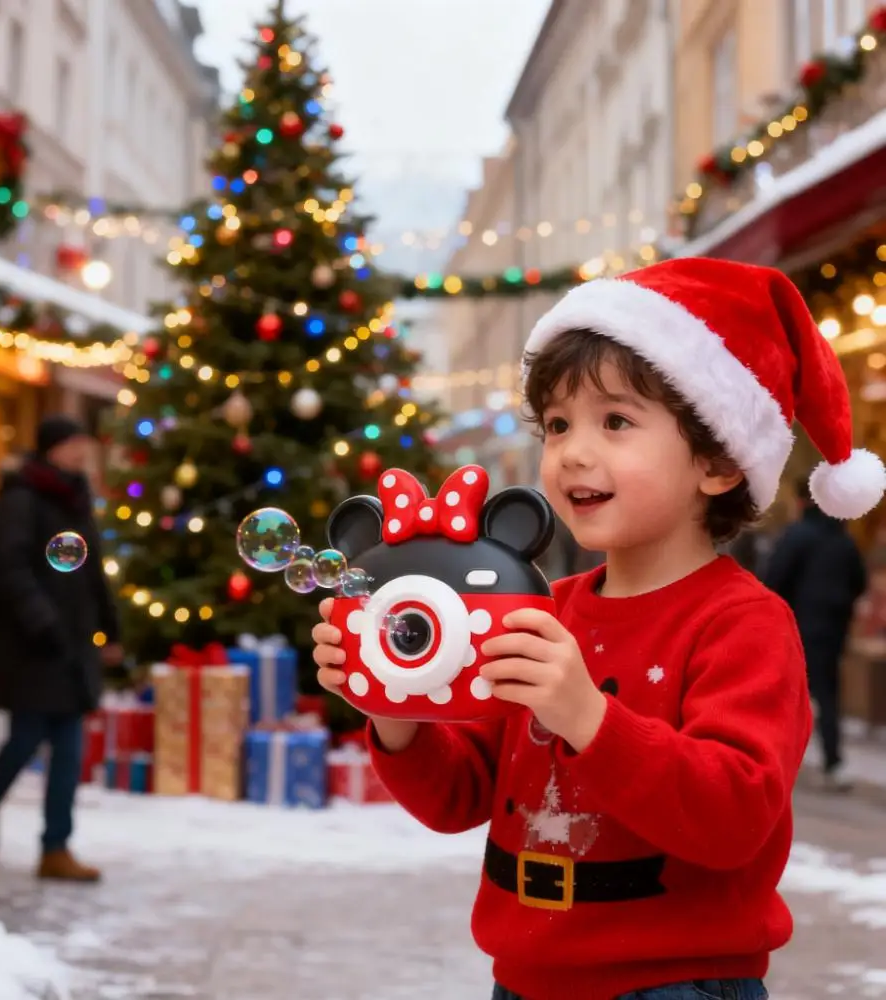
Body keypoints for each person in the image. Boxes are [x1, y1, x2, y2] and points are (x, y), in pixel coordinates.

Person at [313, 258, 886, 1000]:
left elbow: (734, 817)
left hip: (675, 986)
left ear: (715, 461)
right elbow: (460, 796)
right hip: (523, 982)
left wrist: (587, 716)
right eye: (557, 425)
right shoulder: (547, 608)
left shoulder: (743, 622)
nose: (573, 451)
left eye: (615, 421)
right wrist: (394, 711)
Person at [0, 416, 122, 882]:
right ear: (52, 449)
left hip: (73, 642)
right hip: (32, 643)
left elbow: (93, 572)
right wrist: (43, 623)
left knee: (70, 749)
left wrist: (110, 630)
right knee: (26, 737)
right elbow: (9, 568)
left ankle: (55, 847)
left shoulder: (76, 498)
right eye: (74, 444)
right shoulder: (22, 498)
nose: (82, 453)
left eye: (84, 445)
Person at [764, 479, 867, 790]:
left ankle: (770, 760)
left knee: (779, 694)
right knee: (827, 693)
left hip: (793, 631)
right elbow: (859, 582)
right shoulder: (843, 540)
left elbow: (773, 579)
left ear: (800, 502)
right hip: (832, 631)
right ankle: (833, 761)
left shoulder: (796, 536)